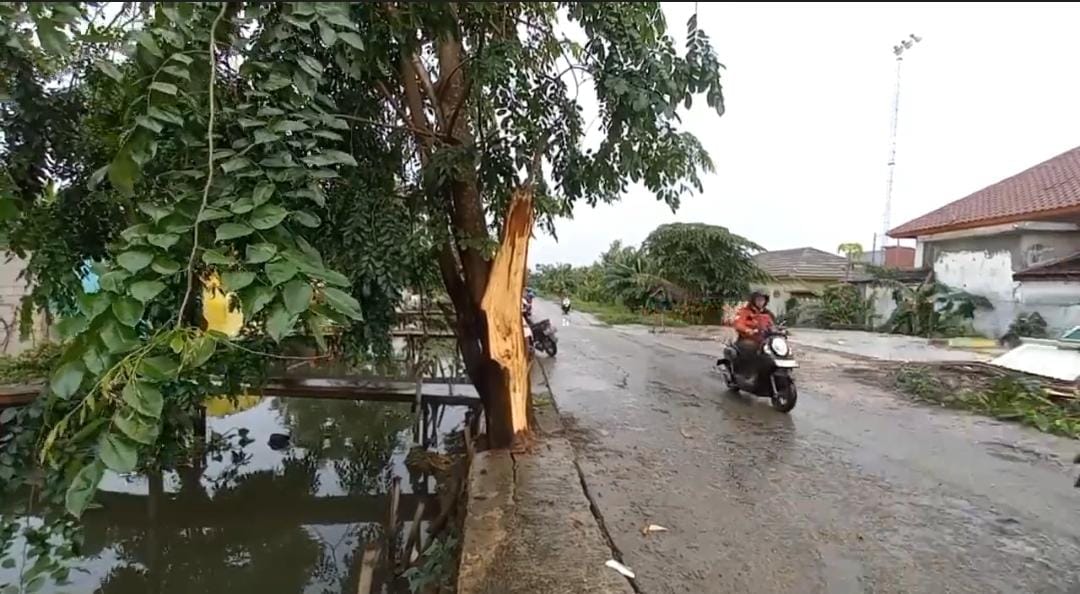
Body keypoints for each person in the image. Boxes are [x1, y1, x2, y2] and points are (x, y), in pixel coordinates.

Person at [732, 290, 775, 375]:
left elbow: (772, 326)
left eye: (762, 300)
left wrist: (780, 331)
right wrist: (748, 330)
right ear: (753, 300)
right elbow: (738, 324)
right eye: (758, 300)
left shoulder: (768, 313)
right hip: (747, 339)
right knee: (752, 349)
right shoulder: (745, 311)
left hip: (764, 341)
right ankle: (748, 373)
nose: (760, 302)